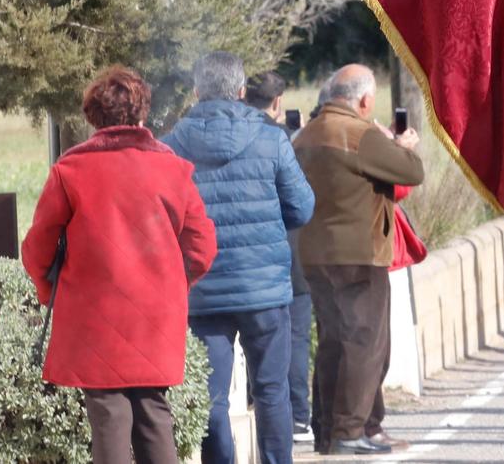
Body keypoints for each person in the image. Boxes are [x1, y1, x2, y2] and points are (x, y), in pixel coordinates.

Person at [23, 67, 217, 464]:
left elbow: (38, 247)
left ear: (93, 117)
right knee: (154, 414)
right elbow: (202, 246)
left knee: (108, 417)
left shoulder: (70, 171)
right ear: (142, 114)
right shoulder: (173, 169)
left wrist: (51, 294)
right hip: (155, 317)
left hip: (93, 317)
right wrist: (174, 286)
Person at [163, 52, 316, 464]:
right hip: (264, 290)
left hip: (202, 290)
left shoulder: (171, 146)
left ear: (196, 92)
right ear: (243, 92)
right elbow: (302, 208)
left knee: (211, 398)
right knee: (271, 391)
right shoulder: (271, 139)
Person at [294, 64, 426, 455]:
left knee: (334, 342)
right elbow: (411, 172)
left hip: (314, 254)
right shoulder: (360, 134)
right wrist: (403, 147)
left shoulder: (305, 134)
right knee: (366, 344)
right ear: (366, 100)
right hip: (359, 255)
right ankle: (350, 431)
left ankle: (330, 431)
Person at [242, 71, 317, 443]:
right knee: (295, 339)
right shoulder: (284, 143)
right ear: (277, 103)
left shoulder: (234, 137)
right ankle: (298, 415)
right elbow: (302, 204)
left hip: (241, 266)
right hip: (289, 259)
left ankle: (255, 407)